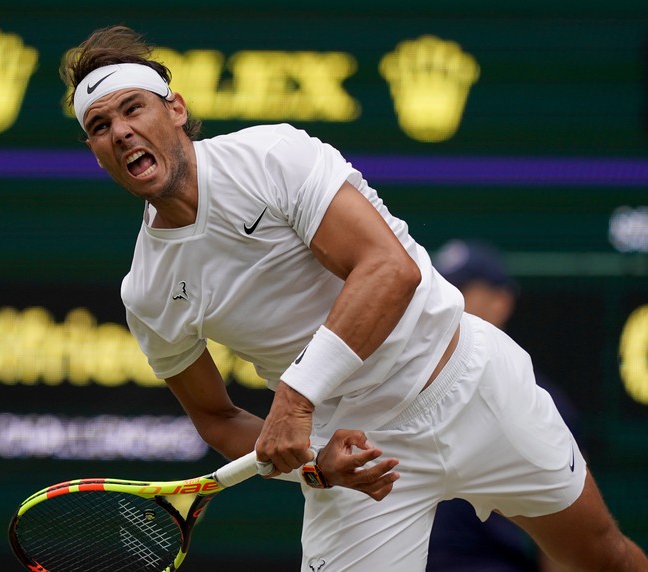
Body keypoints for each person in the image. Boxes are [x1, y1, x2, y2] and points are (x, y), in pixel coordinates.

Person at [60, 25, 648, 571]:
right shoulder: (147, 291)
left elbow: (389, 272)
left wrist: (295, 399)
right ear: (95, 150)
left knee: (604, 560)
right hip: (364, 455)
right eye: (100, 126)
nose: (120, 132)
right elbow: (216, 417)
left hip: (469, 380)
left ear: (177, 110)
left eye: (132, 108)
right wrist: (317, 467)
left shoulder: (272, 157)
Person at [428, 239, 580, 572]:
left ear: (501, 302)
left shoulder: (540, 402)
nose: (447, 303)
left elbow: (565, 531)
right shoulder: (403, 388)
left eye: (461, 290)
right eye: (440, 290)